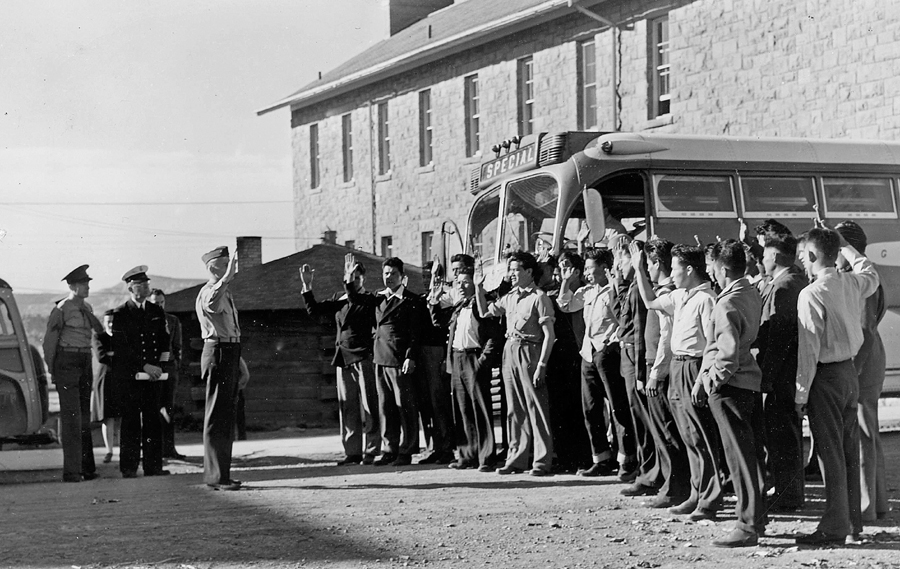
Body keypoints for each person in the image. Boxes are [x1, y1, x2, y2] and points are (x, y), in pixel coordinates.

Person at [794, 227, 879, 545]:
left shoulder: (811, 293)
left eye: (804, 256)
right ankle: (852, 523)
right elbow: (869, 271)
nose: (802, 262)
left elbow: (809, 350)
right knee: (847, 452)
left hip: (825, 377)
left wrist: (800, 394)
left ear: (813, 255)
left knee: (829, 455)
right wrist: (846, 248)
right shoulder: (851, 282)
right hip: (849, 375)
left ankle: (834, 526)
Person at [632, 244, 723, 521]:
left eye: (675, 268)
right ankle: (696, 494)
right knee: (688, 436)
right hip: (678, 366)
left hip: (694, 367)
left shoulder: (706, 299)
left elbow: (712, 343)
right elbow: (649, 302)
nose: (671, 274)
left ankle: (709, 500)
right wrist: (638, 269)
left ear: (689, 269)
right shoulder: (681, 295)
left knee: (701, 436)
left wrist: (701, 380)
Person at [698, 240, 766, 547]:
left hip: (730, 387)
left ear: (723, 269)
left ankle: (747, 525)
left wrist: (712, 380)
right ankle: (755, 519)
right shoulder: (748, 292)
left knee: (738, 458)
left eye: (712, 265)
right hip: (747, 384)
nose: (710, 270)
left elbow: (726, 355)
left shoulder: (725, 303)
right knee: (749, 455)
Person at [476, 251, 556, 476]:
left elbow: (549, 335)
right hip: (510, 351)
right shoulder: (510, 297)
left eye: (516, 270)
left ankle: (541, 461)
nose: (511, 274)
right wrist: (478, 288)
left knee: (536, 407)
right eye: (510, 270)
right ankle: (516, 458)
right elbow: (484, 311)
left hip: (530, 351)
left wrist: (541, 365)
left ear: (529, 272)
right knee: (514, 409)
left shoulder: (539, 298)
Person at [557, 248, 631, 477]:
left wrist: (610, 342)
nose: (588, 273)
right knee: (591, 408)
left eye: (591, 268)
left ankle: (626, 459)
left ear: (605, 269)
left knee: (617, 407)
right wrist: (566, 282)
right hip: (588, 354)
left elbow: (622, 322)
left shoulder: (613, 292)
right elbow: (565, 304)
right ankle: (601, 458)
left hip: (606, 352)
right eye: (586, 268)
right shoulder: (587, 292)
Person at [835, 221, 890, 523]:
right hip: (866, 357)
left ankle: (867, 507)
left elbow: (865, 331)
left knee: (862, 435)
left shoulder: (861, 281)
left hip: (862, 361)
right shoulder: (856, 277)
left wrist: (852, 374)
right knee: (866, 433)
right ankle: (876, 504)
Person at [301, 257, 380, 466]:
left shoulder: (369, 299)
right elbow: (315, 311)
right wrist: (307, 286)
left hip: (363, 356)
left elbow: (354, 300)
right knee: (348, 408)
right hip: (344, 357)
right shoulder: (340, 297)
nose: (353, 281)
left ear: (363, 279)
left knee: (369, 406)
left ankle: (372, 450)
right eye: (350, 278)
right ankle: (352, 452)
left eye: (357, 278)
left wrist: (349, 283)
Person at [345, 255, 422, 467]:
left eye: (393, 274)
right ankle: (390, 449)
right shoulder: (378, 298)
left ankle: (406, 451)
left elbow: (415, 334)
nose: (388, 277)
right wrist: (350, 278)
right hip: (380, 359)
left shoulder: (410, 300)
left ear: (402, 277)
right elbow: (355, 299)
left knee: (404, 407)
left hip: (399, 360)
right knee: (386, 407)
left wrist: (410, 357)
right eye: (385, 273)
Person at [635, 239, 690, 509]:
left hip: (661, 366)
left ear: (658, 264)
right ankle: (671, 485)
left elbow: (667, 338)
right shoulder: (663, 291)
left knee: (667, 430)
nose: (646, 269)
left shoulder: (668, 293)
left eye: (648, 264)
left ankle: (675, 488)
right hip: (654, 364)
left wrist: (656, 373)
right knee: (662, 431)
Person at [431, 267, 501, 471]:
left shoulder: (481, 305)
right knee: (461, 409)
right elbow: (439, 323)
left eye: (465, 282)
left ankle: (486, 456)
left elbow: (492, 337)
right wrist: (434, 302)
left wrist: (482, 361)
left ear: (475, 283)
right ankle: (466, 454)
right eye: (457, 283)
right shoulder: (458, 307)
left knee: (480, 408)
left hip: (474, 358)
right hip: (457, 357)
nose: (460, 286)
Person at [756, 234, 807, 511]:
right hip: (787, 373)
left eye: (764, 255)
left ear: (775, 257)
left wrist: (767, 377)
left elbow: (779, 336)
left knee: (782, 436)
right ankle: (787, 491)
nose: (762, 260)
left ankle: (788, 496)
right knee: (786, 435)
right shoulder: (792, 281)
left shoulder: (784, 286)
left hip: (781, 375)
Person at [42, 264, 104, 482]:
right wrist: (53, 370)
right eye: (83, 284)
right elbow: (49, 343)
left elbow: (97, 335)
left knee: (84, 418)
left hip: (84, 360)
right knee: (71, 418)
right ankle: (72, 472)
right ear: (72, 286)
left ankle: (87, 468)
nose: (87, 287)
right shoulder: (62, 309)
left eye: (87, 283)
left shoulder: (87, 307)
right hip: (66, 362)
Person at [112, 266, 171, 479]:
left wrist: (160, 367)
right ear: (130, 287)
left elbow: (165, 342)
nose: (146, 287)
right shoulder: (121, 314)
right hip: (131, 377)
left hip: (153, 376)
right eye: (141, 284)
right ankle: (128, 467)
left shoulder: (156, 311)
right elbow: (122, 348)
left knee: (153, 421)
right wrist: (144, 366)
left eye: (147, 283)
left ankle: (153, 467)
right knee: (130, 422)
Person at [614, 238, 661, 495]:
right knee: (636, 418)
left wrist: (642, 371)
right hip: (628, 357)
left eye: (621, 258)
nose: (618, 264)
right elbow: (620, 316)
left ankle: (649, 474)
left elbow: (642, 331)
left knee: (643, 420)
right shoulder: (630, 286)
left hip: (636, 358)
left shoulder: (640, 288)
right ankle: (646, 472)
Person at [196, 246, 243, 490]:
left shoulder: (224, 291)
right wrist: (225, 279)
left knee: (226, 416)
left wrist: (240, 361)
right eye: (225, 265)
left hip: (229, 351)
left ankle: (222, 474)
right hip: (218, 352)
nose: (230, 269)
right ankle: (215, 477)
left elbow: (229, 329)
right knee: (216, 416)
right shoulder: (210, 292)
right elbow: (213, 304)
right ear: (212, 267)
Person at [417, 261, 455, 465]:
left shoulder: (445, 301)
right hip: (422, 353)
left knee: (439, 402)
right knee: (426, 404)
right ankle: (433, 446)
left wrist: (444, 359)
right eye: (424, 277)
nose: (427, 281)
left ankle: (447, 447)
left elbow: (443, 329)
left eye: (431, 277)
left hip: (437, 353)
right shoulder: (421, 300)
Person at [148, 289, 185, 461]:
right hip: (151, 370)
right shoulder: (145, 320)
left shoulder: (173, 321)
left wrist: (174, 366)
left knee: (168, 408)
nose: (159, 306)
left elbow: (177, 347)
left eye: (161, 302)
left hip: (169, 369)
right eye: (155, 303)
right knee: (152, 410)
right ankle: (153, 451)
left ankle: (170, 449)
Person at [91, 309, 121, 464]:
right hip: (105, 381)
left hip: (122, 380)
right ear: (104, 323)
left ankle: (124, 450)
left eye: (113, 321)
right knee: (107, 417)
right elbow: (101, 356)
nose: (110, 324)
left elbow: (128, 355)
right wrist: (117, 355)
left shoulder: (123, 337)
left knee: (122, 417)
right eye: (108, 321)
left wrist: (114, 354)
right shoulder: (99, 336)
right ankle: (109, 451)